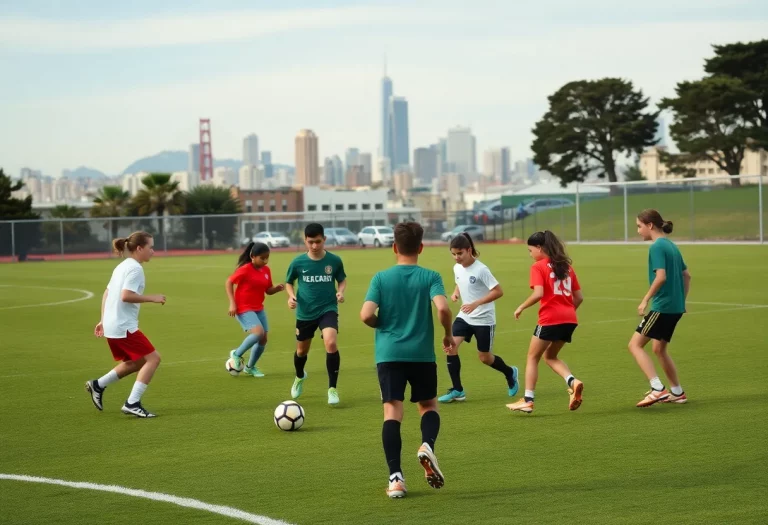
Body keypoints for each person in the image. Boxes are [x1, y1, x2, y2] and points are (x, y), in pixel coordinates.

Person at [360, 221, 454, 499]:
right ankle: (426, 445)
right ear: (421, 247)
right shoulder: (431, 276)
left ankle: (396, 479)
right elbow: (444, 308)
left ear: (394, 247)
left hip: (389, 354)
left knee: (392, 412)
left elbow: (365, 315)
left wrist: (381, 324)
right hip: (422, 354)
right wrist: (448, 334)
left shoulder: (380, 278)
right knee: (428, 406)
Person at [86, 231, 166, 418]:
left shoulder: (122, 266)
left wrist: (103, 319)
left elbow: (107, 293)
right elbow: (125, 295)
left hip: (114, 325)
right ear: (139, 248)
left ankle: (98, 385)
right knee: (153, 359)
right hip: (123, 326)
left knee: (135, 362)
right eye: (150, 247)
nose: (153, 251)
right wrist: (153, 298)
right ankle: (132, 403)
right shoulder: (135, 269)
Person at [506, 230, 584, 415]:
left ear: (540, 248)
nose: (530, 254)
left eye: (530, 250)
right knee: (550, 357)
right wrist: (566, 311)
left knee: (532, 357)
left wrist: (521, 307)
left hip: (550, 319)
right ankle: (573, 382)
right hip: (570, 319)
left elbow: (539, 293)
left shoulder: (539, 267)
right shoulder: (566, 267)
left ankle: (528, 400)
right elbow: (579, 297)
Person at [438, 232, 519, 403]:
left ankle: (510, 372)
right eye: (453, 254)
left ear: (469, 250)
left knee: (485, 358)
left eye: (459, 253)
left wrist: (476, 303)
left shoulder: (481, 269)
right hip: (465, 317)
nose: (456, 257)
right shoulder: (457, 267)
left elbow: (498, 291)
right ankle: (458, 390)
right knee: (451, 347)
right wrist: (456, 292)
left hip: (483, 319)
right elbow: (460, 281)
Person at [630, 209, 690, 407]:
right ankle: (677, 392)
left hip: (662, 307)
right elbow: (686, 275)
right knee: (659, 349)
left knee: (635, 345)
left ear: (649, 225)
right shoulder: (672, 246)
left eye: (639, 226)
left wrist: (645, 299)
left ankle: (657, 388)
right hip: (675, 307)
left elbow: (661, 276)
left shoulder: (657, 247)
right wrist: (682, 300)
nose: (638, 230)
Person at [285, 223, 347, 405]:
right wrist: (291, 297)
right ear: (305, 240)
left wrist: (340, 292)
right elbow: (289, 282)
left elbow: (342, 280)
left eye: (318, 242)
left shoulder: (334, 261)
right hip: (305, 312)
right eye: (310, 242)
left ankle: (332, 389)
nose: (314, 246)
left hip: (328, 308)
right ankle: (299, 376)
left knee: (331, 342)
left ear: (324, 240)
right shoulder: (298, 262)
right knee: (301, 351)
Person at [226, 241, 285, 377]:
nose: (265, 261)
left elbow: (268, 290)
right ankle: (236, 354)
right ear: (253, 256)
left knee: (263, 339)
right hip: (243, 307)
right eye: (262, 258)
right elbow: (229, 282)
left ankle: (250, 367)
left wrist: (275, 289)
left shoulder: (266, 270)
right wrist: (232, 303)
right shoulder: (245, 269)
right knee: (258, 333)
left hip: (258, 307)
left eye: (267, 257)